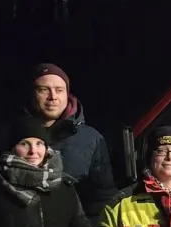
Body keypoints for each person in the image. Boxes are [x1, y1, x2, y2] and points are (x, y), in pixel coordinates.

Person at [12, 63, 115, 219]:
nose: (53, 97)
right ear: (32, 94)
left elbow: (102, 198)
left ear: (67, 94)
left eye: (59, 90)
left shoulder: (91, 139)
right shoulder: (8, 134)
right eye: (43, 90)